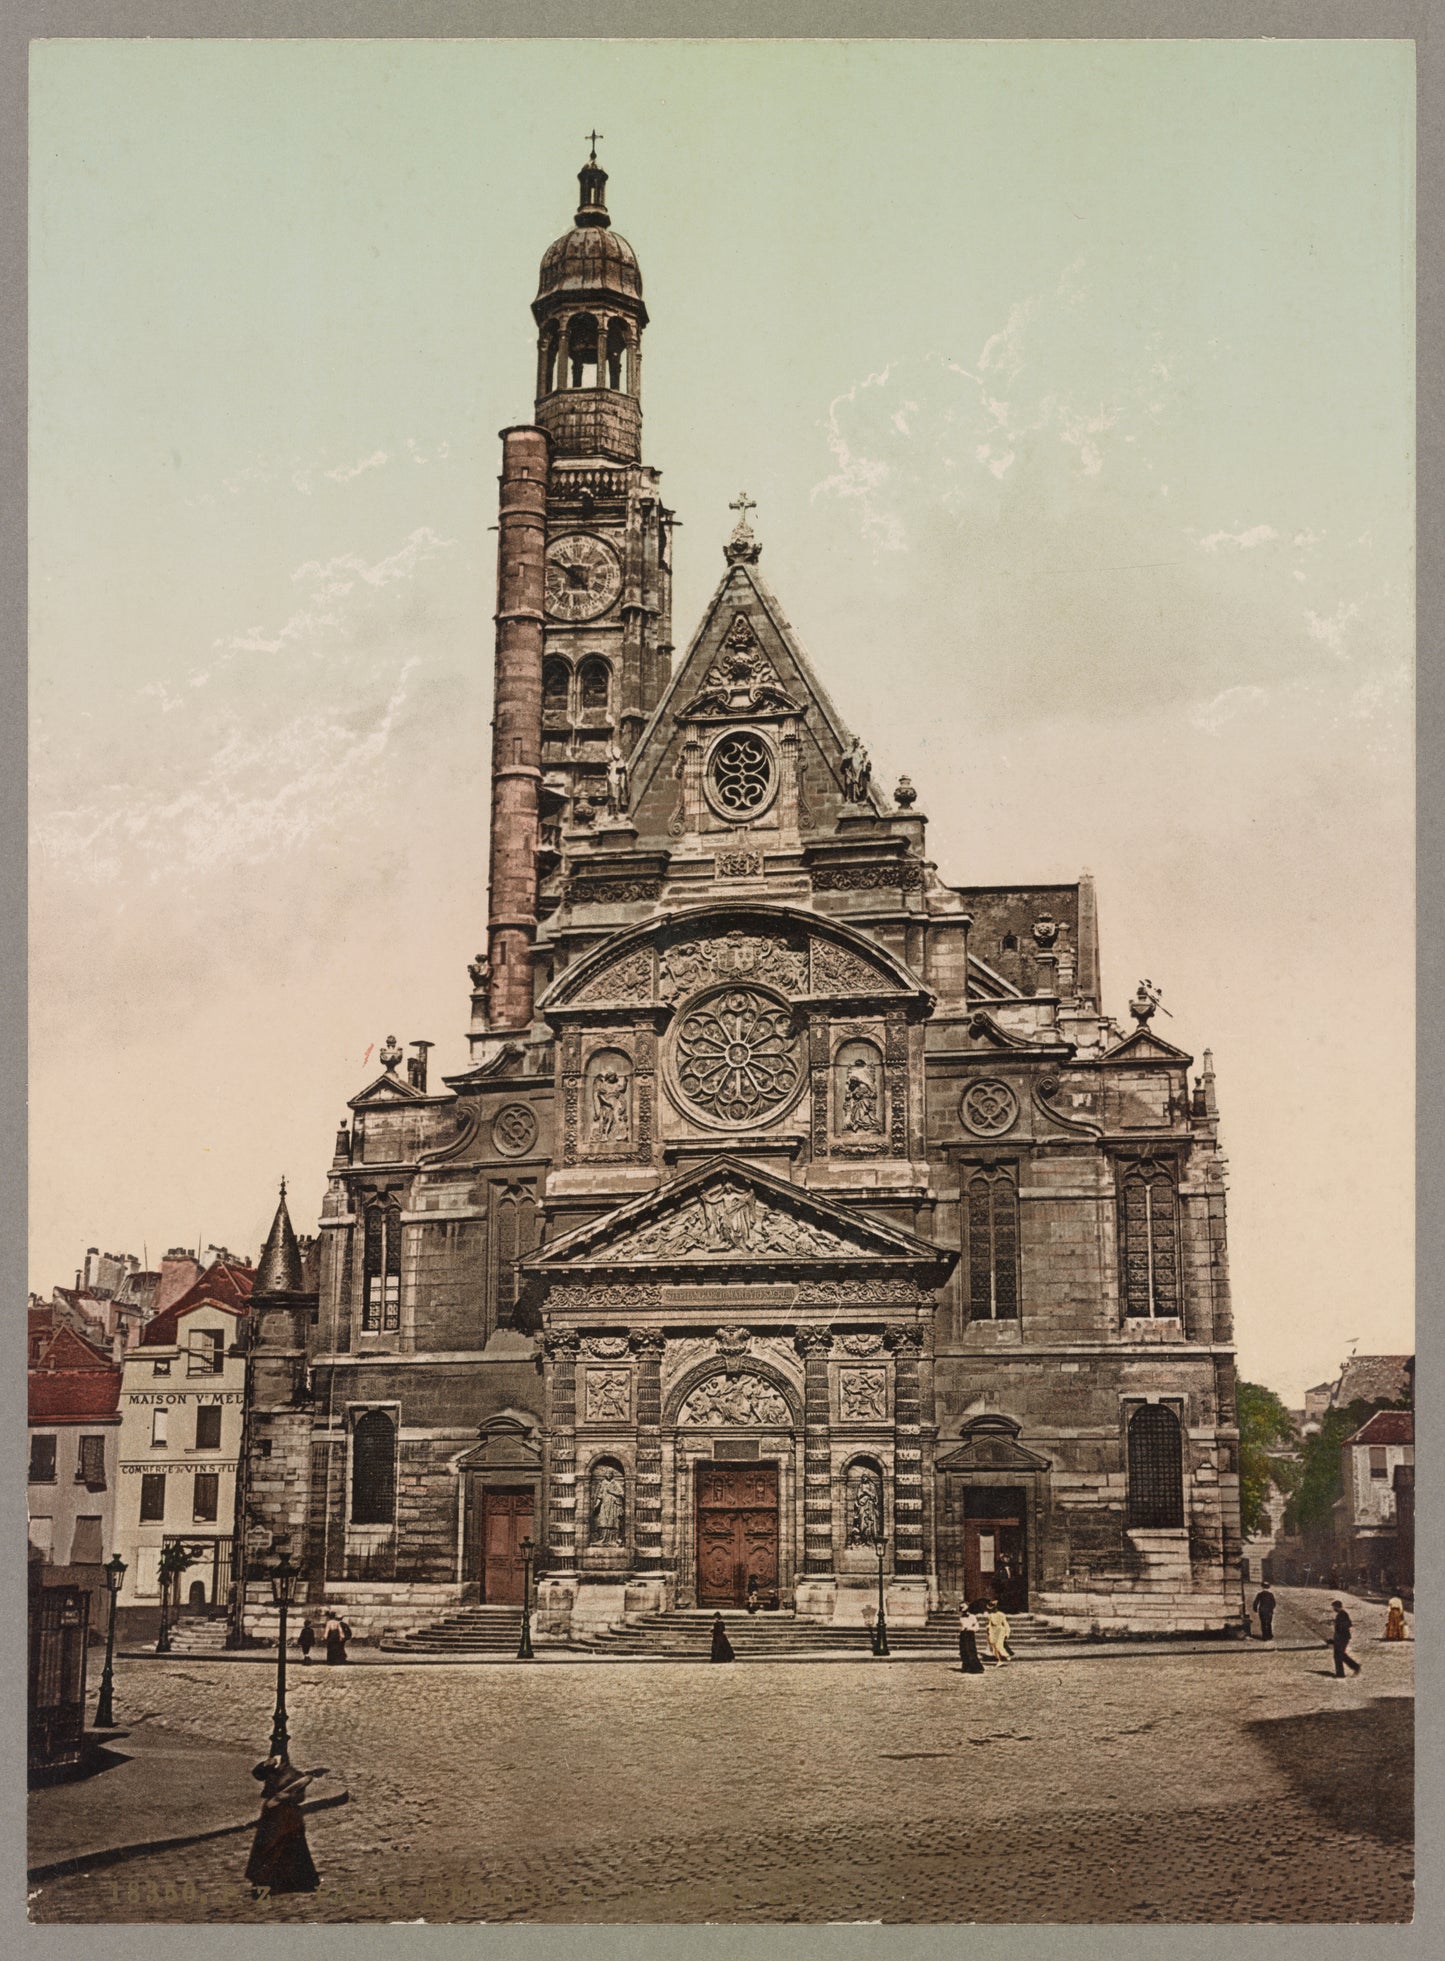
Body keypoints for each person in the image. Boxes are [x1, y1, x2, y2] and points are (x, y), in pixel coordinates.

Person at [245, 1756, 328, 1896]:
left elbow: (300, 1797)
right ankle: (264, 1881)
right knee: (266, 1845)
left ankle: (289, 1882)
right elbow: (257, 1774)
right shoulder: (270, 1771)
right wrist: (265, 1764)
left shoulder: (294, 1775)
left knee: (283, 1845)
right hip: (270, 1815)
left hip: (288, 1816)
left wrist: (286, 1798)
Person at [1329, 1599, 1361, 1676]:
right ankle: (1353, 1667)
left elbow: (1348, 1624)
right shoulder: (1341, 1614)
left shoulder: (1342, 1614)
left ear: (1337, 1607)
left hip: (1342, 1637)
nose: (1333, 1609)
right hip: (1341, 1637)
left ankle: (1343, 1672)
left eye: (1334, 1607)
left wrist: (1339, 1628)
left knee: (1338, 1655)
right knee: (1340, 1654)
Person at [957, 1603, 986, 1675]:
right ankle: (966, 1666)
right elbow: (961, 1626)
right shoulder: (961, 1617)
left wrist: (970, 1628)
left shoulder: (972, 1617)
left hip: (969, 1634)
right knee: (963, 1650)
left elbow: (977, 1627)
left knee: (970, 1649)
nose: (962, 1609)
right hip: (963, 1634)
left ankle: (976, 1667)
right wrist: (961, 1630)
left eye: (964, 1607)